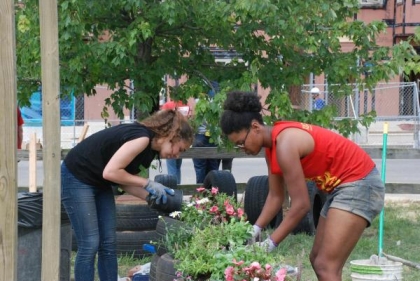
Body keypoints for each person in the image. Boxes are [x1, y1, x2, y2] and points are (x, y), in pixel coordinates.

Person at [220, 91, 385, 281]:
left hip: (359, 183)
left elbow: (301, 205)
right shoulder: (271, 148)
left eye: (241, 143)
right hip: (341, 188)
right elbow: (275, 196)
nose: (243, 149)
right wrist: (254, 229)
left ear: (255, 126)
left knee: (326, 265)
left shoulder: (285, 144)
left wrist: (270, 243)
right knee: (316, 259)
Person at [61, 109, 194, 281]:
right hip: (77, 177)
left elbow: (122, 179)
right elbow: (111, 172)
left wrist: (150, 198)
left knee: (108, 242)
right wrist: (147, 183)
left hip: (99, 181)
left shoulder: (149, 152)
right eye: (179, 149)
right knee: (90, 243)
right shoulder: (142, 138)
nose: (177, 155)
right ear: (172, 135)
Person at [161, 100, 191, 184]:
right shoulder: (186, 104)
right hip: (181, 140)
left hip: (171, 140)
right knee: (177, 167)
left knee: (172, 168)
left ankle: (173, 187)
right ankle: (178, 186)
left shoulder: (167, 105)